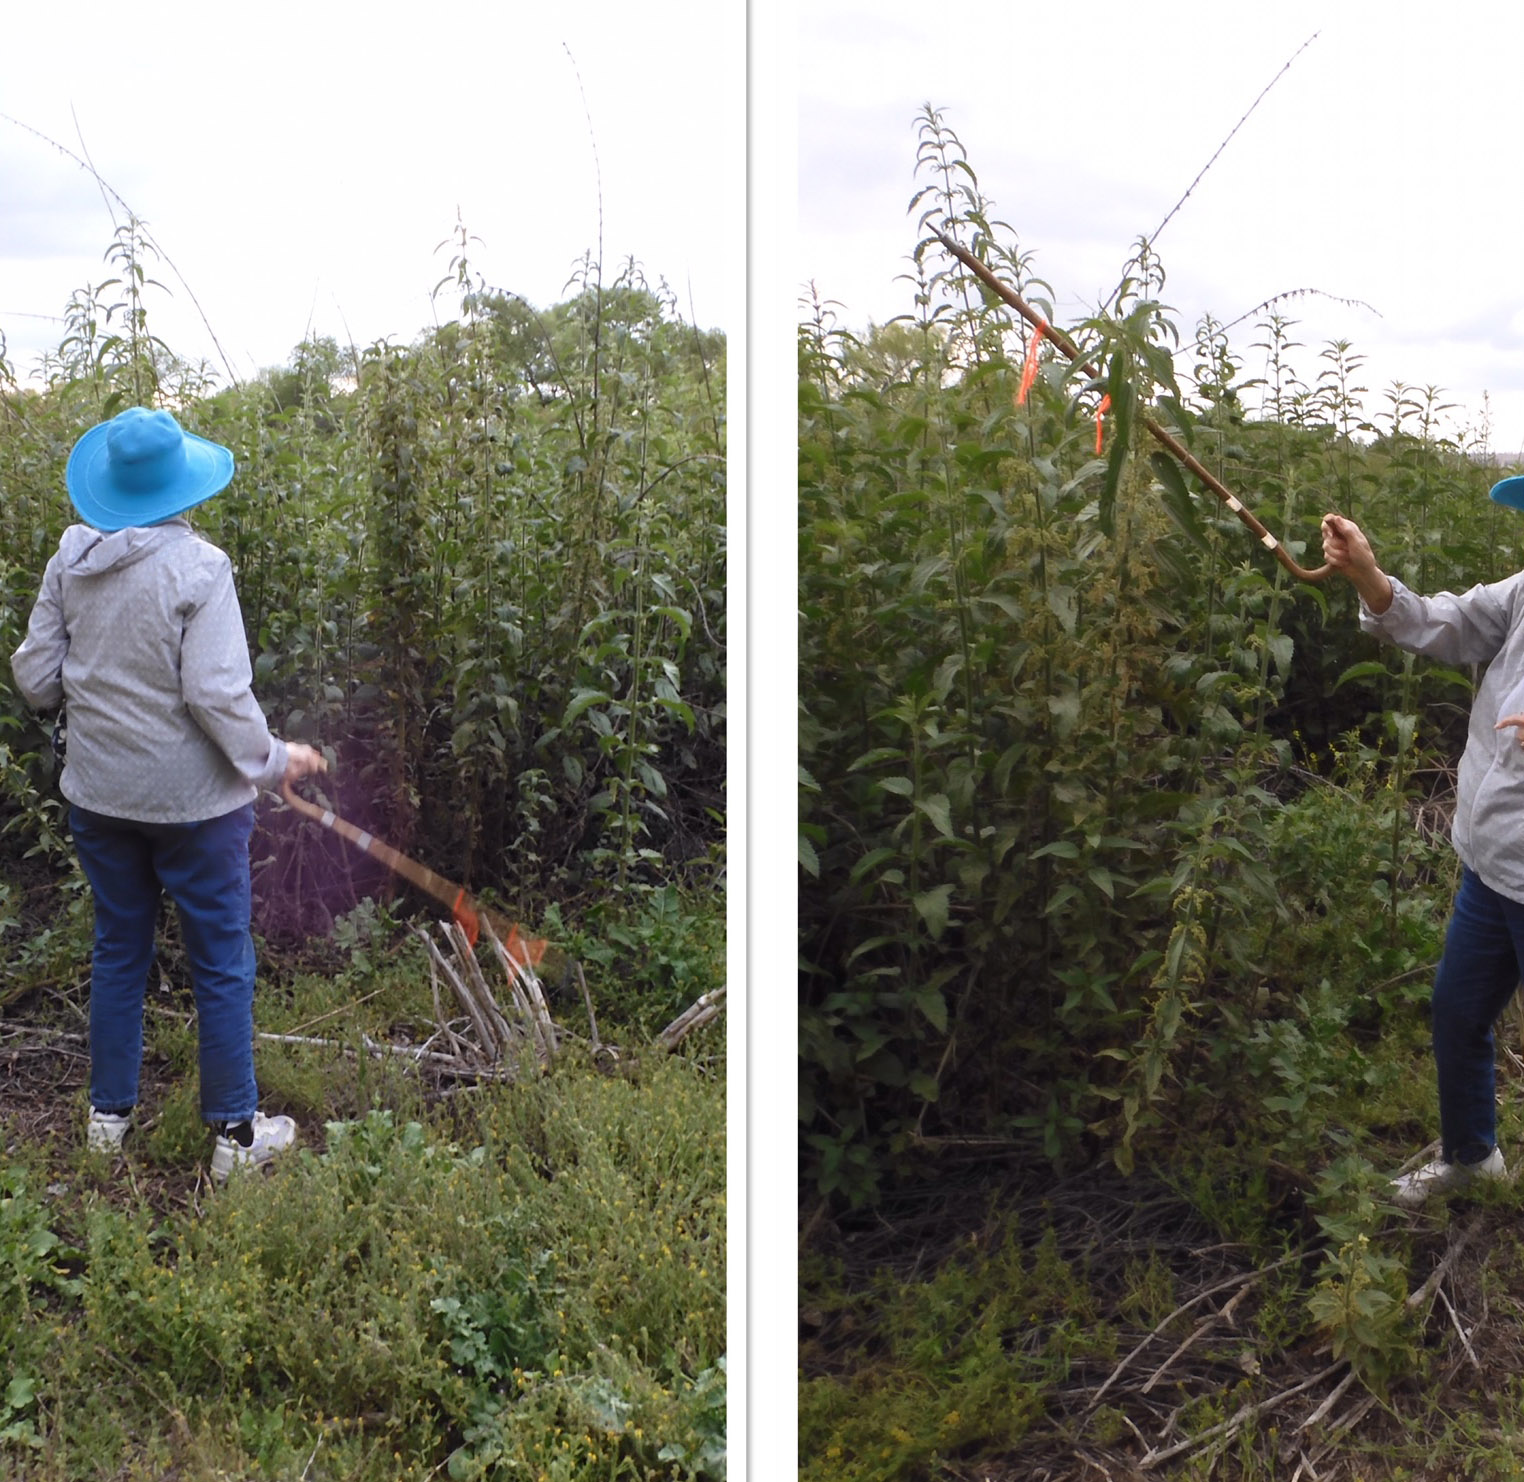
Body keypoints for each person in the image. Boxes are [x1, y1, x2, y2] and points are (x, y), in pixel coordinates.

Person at [9, 406, 327, 1181]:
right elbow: (217, 694)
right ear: (182, 485)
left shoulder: (69, 559)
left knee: (119, 949)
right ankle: (235, 1140)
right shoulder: (199, 568)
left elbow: (34, 679)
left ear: (112, 488)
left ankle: (107, 1124)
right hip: (196, 808)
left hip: (99, 795)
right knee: (220, 960)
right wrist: (278, 760)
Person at [1323, 510, 1524, 1207]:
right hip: (1494, 863)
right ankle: (1471, 1159)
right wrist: (1370, 578)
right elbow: (1452, 623)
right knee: (1458, 1013)